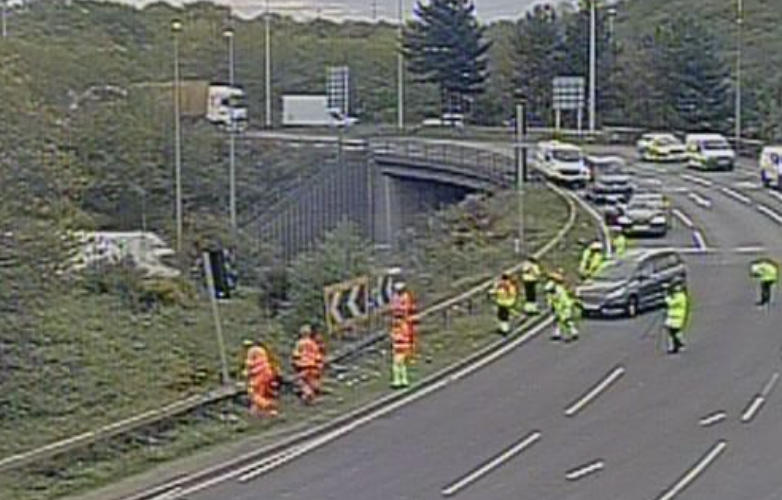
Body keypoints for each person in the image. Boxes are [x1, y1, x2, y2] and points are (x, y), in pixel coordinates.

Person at [244, 341, 281, 416]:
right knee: (263, 392)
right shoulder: (262, 350)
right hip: (268, 372)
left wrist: (247, 372)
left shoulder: (251, 351)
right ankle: (261, 410)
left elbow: (250, 364)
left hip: (259, 374)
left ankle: (267, 405)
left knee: (253, 393)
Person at [292, 325, 326, 404]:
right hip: (313, 366)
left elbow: (296, 355)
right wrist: (320, 364)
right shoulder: (312, 343)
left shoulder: (299, 343)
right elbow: (317, 355)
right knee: (312, 382)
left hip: (303, 366)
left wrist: (295, 363)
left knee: (302, 382)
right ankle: (312, 395)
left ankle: (308, 395)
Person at [664, 282, 689, 355]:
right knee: (671, 332)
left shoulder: (681, 297)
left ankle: (680, 344)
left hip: (677, 317)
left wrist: (667, 297)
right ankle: (673, 347)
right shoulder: (677, 295)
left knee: (676, 332)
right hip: (672, 317)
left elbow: (671, 303)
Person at [390, 318, 414, 389]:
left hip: (399, 349)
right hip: (404, 349)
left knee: (396, 365)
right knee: (402, 365)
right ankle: (404, 380)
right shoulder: (405, 328)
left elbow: (395, 338)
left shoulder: (398, 330)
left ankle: (397, 381)